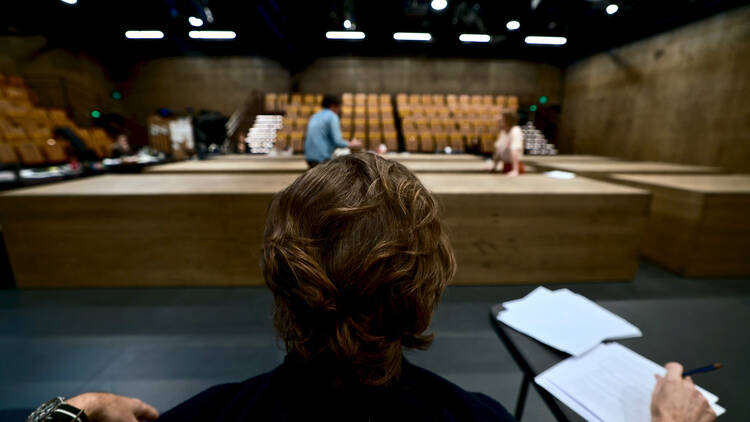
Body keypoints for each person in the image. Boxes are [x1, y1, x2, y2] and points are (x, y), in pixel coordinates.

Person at [28, 153, 716, 422]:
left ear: (282, 281)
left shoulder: (202, 420)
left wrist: (68, 415)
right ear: (430, 286)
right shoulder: (477, 421)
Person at [303, 94, 361, 168]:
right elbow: (337, 141)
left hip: (309, 158)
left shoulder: (314, 116)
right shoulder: (332, 116)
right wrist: (352, 144)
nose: (340, 109)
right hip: (321, 159)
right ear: (333, 105)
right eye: (340, 106)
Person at [490, 110, 524, 176]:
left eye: (501, 120)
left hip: (515, 167)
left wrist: (515, 170)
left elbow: (515, 151)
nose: (498, 121)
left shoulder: (515, 131)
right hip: (506, 166)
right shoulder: (503, 132)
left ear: (507, 121)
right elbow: (498, 152)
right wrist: (493, 167)